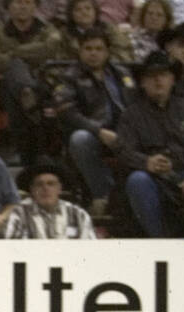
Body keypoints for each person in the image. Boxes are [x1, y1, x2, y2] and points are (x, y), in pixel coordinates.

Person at [117, 48, 184, 235]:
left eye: (163, 75)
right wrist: (146, 162)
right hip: (154, 180)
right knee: (138, 180)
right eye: (151, 76)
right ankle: (160, 241)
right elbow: (122, 149)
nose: (158, 80)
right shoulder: (131, 115)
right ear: (143, 82)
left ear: (172, 79)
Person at [53, 27, 132, 215]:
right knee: (80, 139)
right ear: (80, 51)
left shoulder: (122, 73)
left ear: (107, 52)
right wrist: (98, 131)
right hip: (93, 134)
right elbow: (67, 112)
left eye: (99, 49)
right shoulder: (68, 76)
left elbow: (136, 105)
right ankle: (103, 194)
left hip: (125, 131)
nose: (93, 53)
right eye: (88, 49)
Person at [0, 0, 67, 164]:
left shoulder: (47, 30)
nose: (22, 6)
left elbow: (51, 49)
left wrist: (14, 53)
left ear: (35, 7)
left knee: (20, 71)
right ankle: (27, 93)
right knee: (16, 69)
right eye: (17, 2)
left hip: (43, 84)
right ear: (8, 7)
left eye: (27, 2)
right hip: (5, 87)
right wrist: (31, 54)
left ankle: (28, 95)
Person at [4, 157, 97, 237]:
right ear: (32, 190)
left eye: (51, 184)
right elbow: (11, 250)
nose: (45, 188)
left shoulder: (78, 215)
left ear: (60, 188)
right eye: (39, 184)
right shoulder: (19, 214)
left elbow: (90, 250)